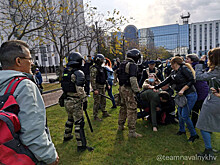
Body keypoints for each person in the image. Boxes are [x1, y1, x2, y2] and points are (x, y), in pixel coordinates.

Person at [0, 40, 59, 165]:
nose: (32, 63)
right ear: (18, 61)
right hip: (24, 157)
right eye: (30, 58)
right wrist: (50, 156)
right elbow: (33, 132)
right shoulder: (24, 85)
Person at [151, 56, 199, 142]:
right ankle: (182, 130)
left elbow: (192, 80)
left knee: (185, 115)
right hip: (181, 96)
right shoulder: (174, 72)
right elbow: (167, 80)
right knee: (180, 114)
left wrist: (183, 89)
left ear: (175, 63)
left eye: (171, 63)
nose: (170, 64)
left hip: (190, 95)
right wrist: (156, 86)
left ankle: (194, 134)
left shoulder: (184, 69)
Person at [61, 52, 94, 152]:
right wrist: (85, 100)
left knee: (70, 119)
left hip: (67, 100)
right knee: (79, 123)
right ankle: (81, 145)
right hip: (75, 101)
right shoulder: (78, 73)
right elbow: (80, 89)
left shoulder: (66, 72)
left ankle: (67, 135)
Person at [195, 48, 220, 159]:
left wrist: (200, 63)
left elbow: (199, 77)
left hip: (214, 100)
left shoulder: (217, 70)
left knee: (203, 124)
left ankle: (208, 152)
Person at [117, 48, 142, 138]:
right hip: (128, 89)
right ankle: (132, 131)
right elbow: (133, 79)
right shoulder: (132, 65)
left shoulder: (122, 64)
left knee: (123, 107)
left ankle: (120, 125)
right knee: (132, 109)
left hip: (121, 88)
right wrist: (137, 91)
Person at [185, 54, 209, 127]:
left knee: (199, 107)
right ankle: (195, 123)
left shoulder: (196, 67)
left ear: (192, 60)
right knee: (197, 107)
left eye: (187, 59)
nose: (185, 60)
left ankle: (202, 124)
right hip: (199, 89)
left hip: (200, 89)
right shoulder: (193, 66)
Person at [90, 54, 111, 121]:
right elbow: (92, 80)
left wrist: (107, 84)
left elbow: (104, 77)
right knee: (97, 102)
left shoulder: (102, 68)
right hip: (97, 87)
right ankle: (95, 116)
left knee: (103, 100)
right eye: (102, 59)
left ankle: (104, 112)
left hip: (102, 87)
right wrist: (95, 89)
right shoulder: (94, 68)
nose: (103, 61)